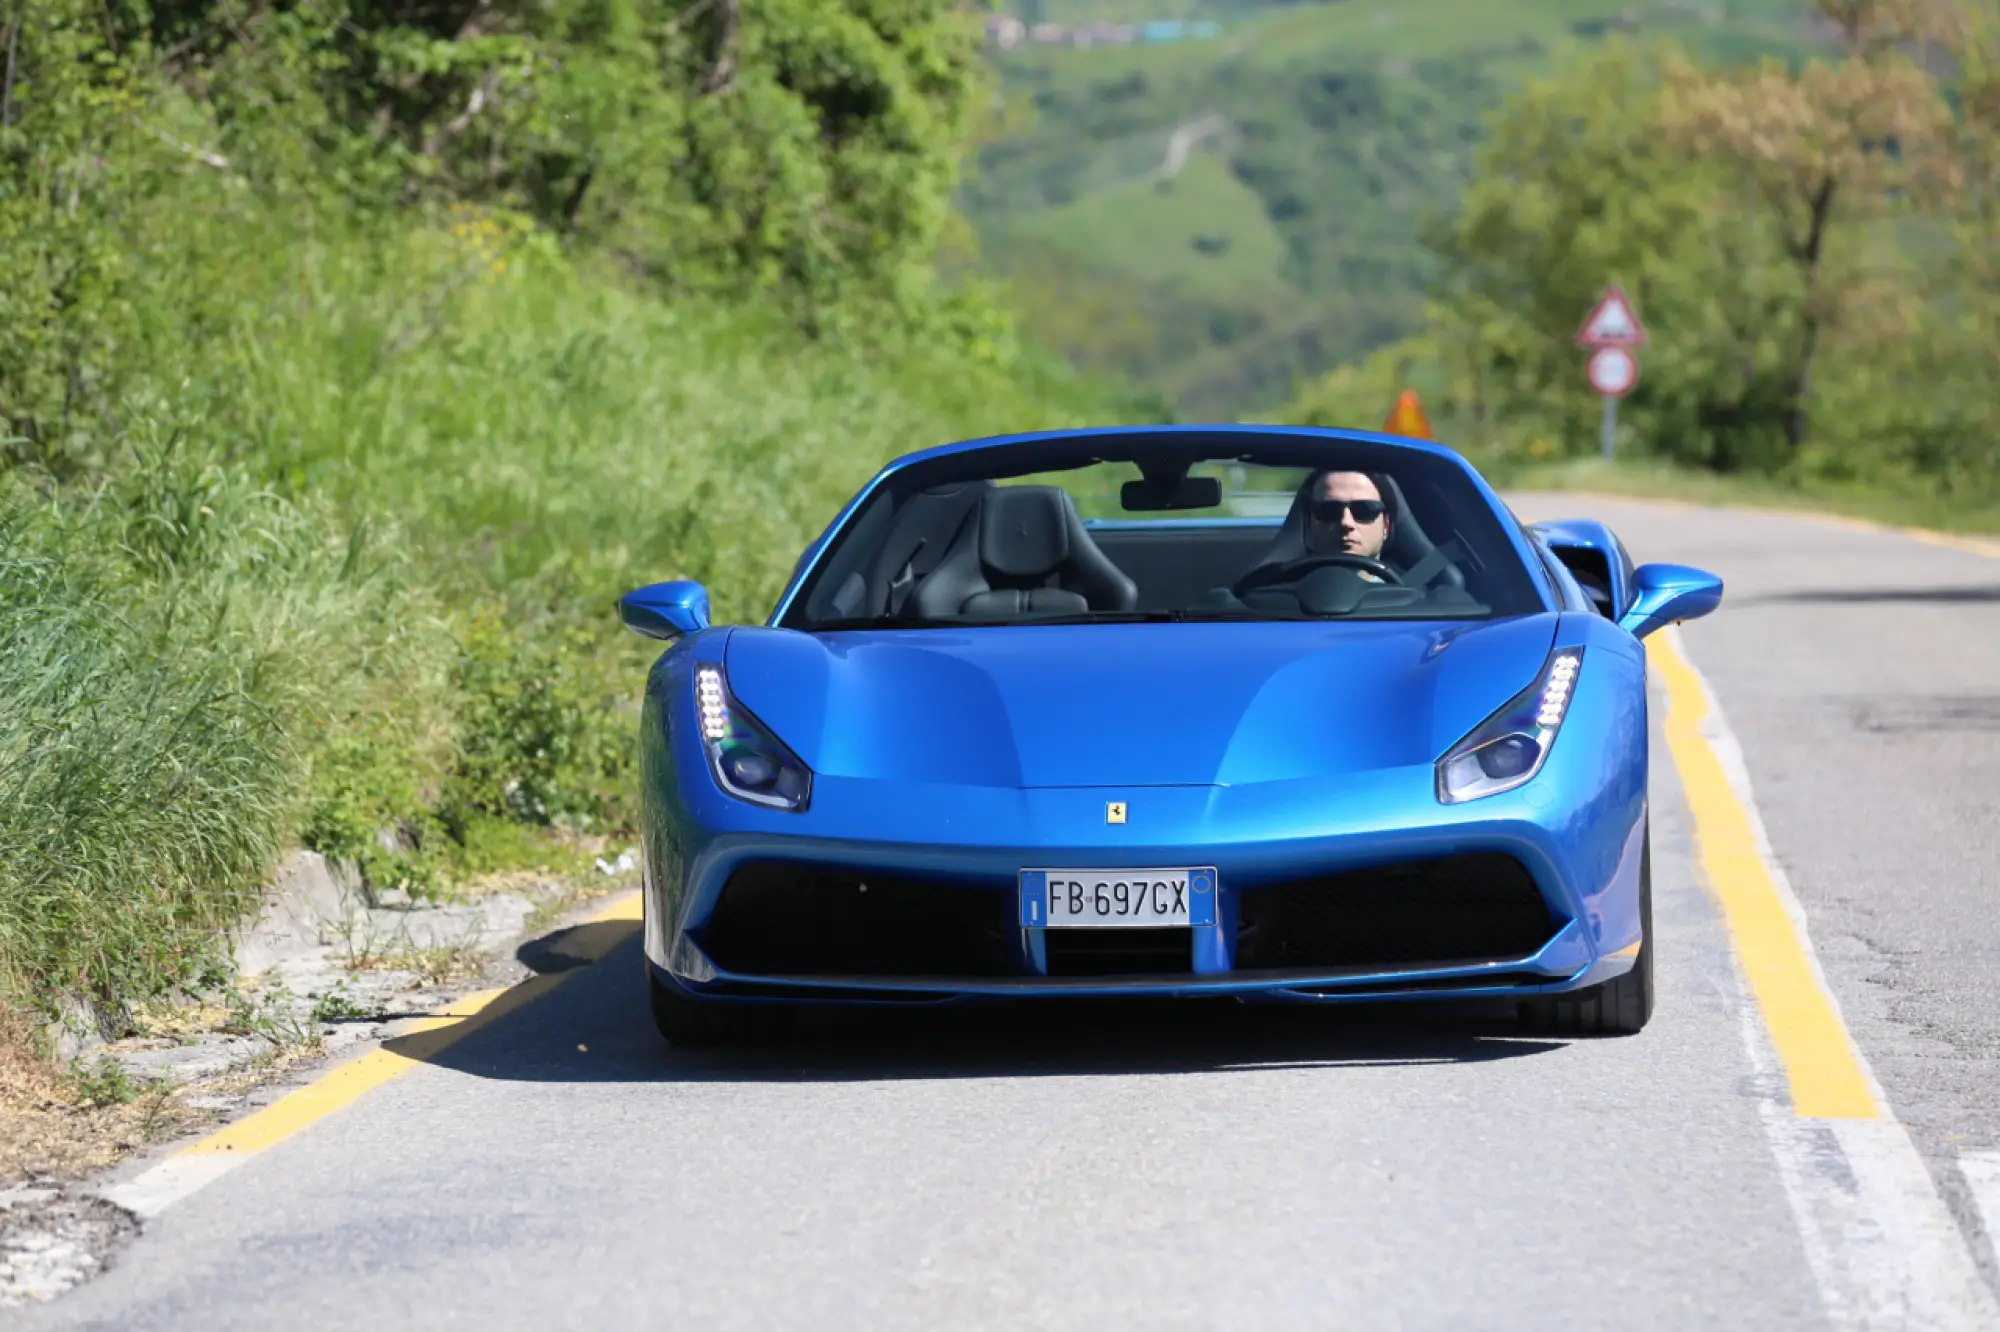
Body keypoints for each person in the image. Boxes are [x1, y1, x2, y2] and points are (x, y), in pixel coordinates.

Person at [1301, 470, 1394, 566]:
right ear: (1308, 524)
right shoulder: (1286, 580)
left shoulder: (1407, 581)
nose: (1346, 522)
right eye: (1329, 510)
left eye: (1364, 510)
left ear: (1386, 526)